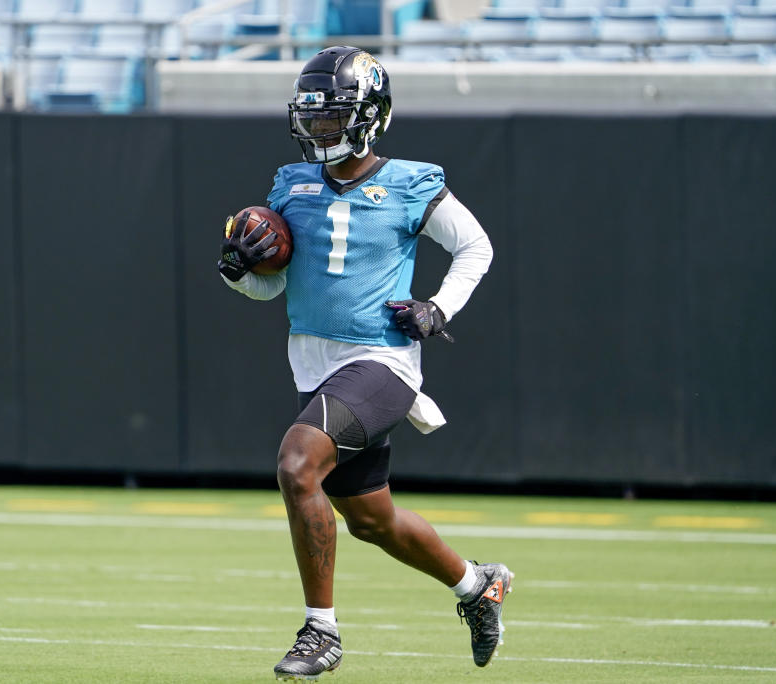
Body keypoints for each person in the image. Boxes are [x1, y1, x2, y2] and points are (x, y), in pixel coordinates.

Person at [217, 45, 510, 681]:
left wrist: (439, 308)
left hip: (382, 364)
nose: (321, 130)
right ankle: (477, 586)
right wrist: (239, 271)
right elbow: (272, 289)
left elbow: (475, 246)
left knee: (298, 464)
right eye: (313, 118)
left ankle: (320, 631)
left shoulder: (411, 181)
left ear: (370, 115)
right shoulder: (289, 185)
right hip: (316, 368)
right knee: (372, 520)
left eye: (334, 117)